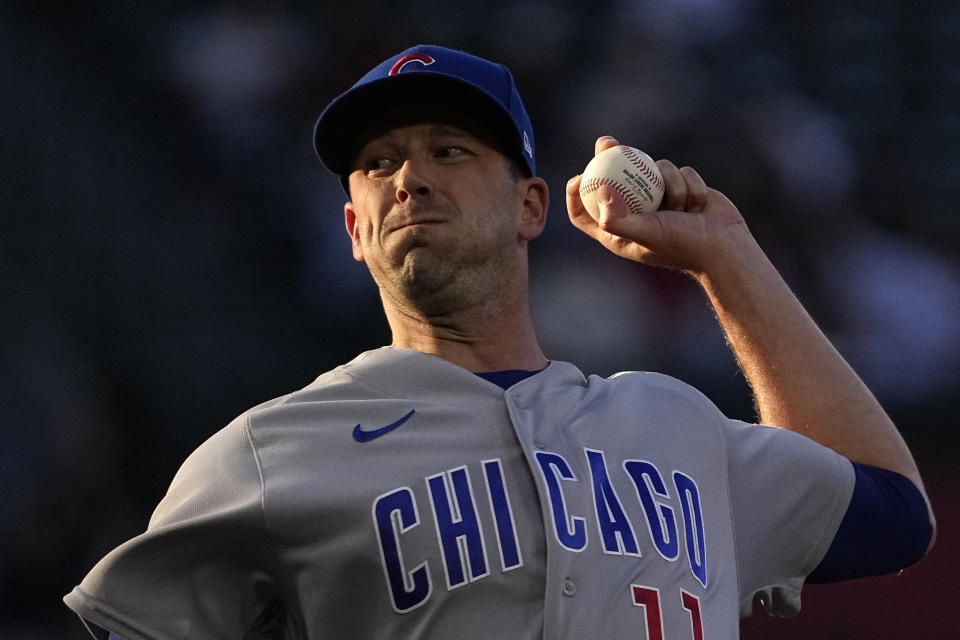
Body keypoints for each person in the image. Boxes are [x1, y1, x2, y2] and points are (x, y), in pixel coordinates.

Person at [64, 44, 935, 640]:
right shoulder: (268, 452)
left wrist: (728, 259)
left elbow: (894, 515)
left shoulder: (673, 424)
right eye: (378, 164)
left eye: (449, 150)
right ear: (354, 230)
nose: (409, 177)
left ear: (530, 206)